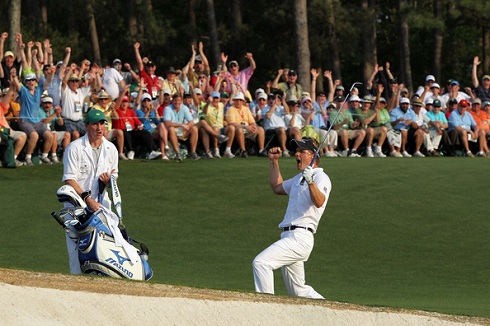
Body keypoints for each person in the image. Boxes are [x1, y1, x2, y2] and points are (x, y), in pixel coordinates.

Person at [252, 137, 331, 299]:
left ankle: (266, 310)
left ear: (313, 156)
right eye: (296, 151)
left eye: (302, 151)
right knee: (298, 291)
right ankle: (331, 311)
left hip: (300, 237)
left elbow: (319, 201)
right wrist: (274, 162)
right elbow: (277, 187)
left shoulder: (320, 177)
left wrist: (310, 182)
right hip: (289, 236)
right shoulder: (298, 179)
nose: (297, 154)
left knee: (261, 263)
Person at [61, 109, 119, 274]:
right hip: (76, 209)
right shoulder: (74, 148)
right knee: (76, 254)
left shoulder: (111, 149)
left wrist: (109, 180)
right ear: (86, 126)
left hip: (102, 206)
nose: (99, 128)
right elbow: (69, 179)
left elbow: (114, 175)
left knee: (104, 252)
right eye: (95, 124)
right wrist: (88, 200)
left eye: (102, 123)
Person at [12, 71, 54, 165]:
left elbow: (48, 81)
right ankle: (28, 157)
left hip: (36, 121)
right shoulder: (23, 90)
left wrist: (52, 73)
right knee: (34, 136)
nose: (31, 82)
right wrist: (14, 76)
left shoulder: (39, 89)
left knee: (50, 136)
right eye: (29, 80)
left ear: (35, 81)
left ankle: (44, 156)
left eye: (33, 80)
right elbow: (18, 85)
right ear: (26, 82)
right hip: (24, 120)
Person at [225, 91, 267, 158]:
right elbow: (232, 123)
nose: (238, 101)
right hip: (238, 129)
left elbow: (252, 121)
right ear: (234, 101)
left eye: (240, 100)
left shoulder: (246, 109)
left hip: (247, 128)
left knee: (261, 129)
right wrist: (246, 127)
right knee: (239, 130)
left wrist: (254, 126)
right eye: (237, 100)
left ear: (243, 102)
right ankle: (243, 150)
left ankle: (261, 150)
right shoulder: (230, 109)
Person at [164, 93, 200, 161]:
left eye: (178, 100)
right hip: (172, 131)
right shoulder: (168, 108)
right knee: (171, 128)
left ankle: (193, 152)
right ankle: (178, 153)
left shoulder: (184, 108)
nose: (177, 102)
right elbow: (167, 123)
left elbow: (191, 122)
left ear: (181, 101)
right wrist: (181, 125)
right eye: (175, 100)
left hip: (181, 131)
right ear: (172, 101)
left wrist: (186, 127)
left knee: (194, 128)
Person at [0, 86, 26, 166]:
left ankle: (12, 159)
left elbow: (7, 99)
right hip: (1, 132)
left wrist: (11, 87)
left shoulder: (1, 106)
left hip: (7, 130)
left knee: (22, 135)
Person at [39, 96, 70, 163]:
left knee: (67, 134)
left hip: (52, 130)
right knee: (54, 135)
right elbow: (44, 121)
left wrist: (58, 115)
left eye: (49, 103)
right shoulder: (39, 110)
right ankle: (54, 155)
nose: (47, 105)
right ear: (42, 104)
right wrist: (55, 114)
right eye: (45, 103)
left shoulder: (52, 111)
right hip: (43, 132)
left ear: (51, 104)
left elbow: (61, 123)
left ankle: (65, 155)